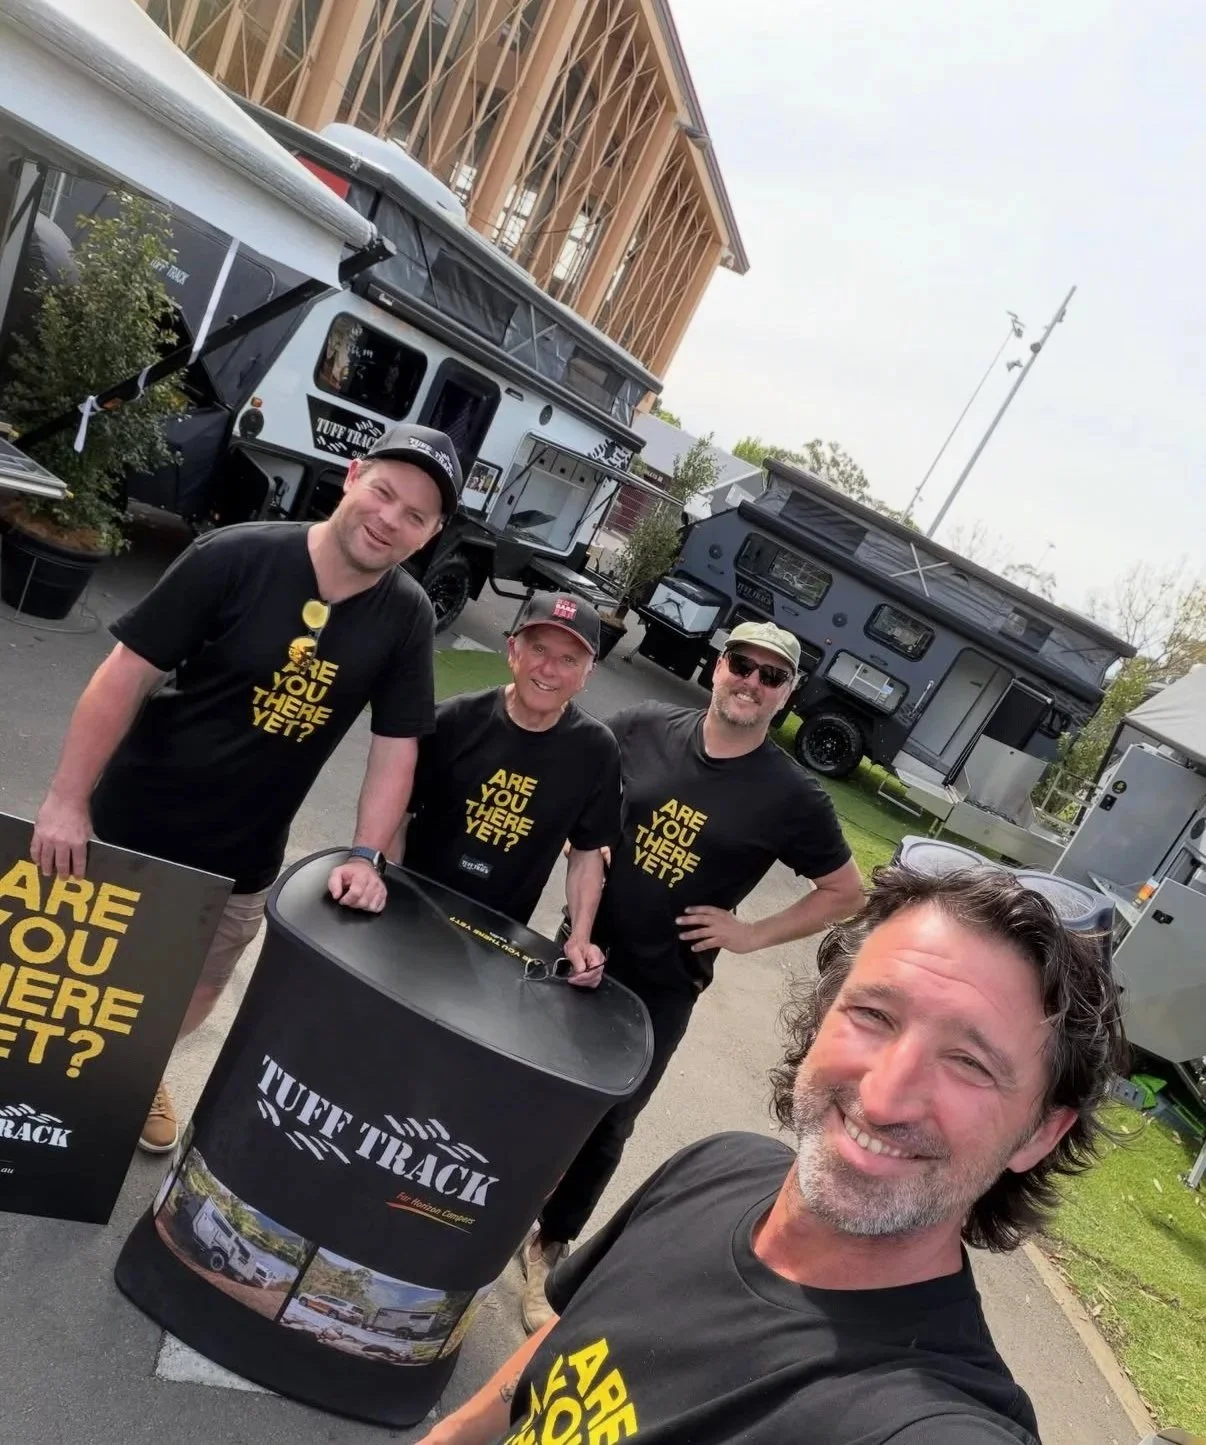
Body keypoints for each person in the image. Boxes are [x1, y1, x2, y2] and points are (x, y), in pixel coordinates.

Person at [420, 863, 1128, 1445]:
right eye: (873, 1014)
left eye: (970, 1063)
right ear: (822, 1017)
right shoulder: (712, 1169)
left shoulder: (930, 1419)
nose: (885, 1097)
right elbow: (558, 1353)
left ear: (1042, 1133)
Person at [29, 423, 462, 1152]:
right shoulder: (234, 556)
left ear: (431, 533)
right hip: (127, 826)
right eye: (385, 492)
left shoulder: (407, 616)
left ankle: (137, 1070)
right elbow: (124, 676)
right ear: (353, 475)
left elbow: (395, 747)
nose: (391, 519)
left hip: (242, 859)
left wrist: (367, 854)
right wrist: (67, 800)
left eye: (415, 515)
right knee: (66, 973)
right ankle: (34, 1075)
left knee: (197, 988)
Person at [520, 619, 865, 1329]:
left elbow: (846, 892)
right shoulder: (643, 727)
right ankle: (487, 1197)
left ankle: (548, 1246)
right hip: (580, 945)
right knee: (530, 1082)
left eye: (772, 676)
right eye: (742, 664)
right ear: (717, 666)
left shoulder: (792, 796)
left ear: (788, 694)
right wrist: (585, 839)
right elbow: (578, 776)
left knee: (608, 1123)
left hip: (664, 983)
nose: (752, 682)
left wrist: (751, 933)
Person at [400, 592, 619, 982]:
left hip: (495, 937)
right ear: (513, 650)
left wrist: (580, 937)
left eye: (569, 659)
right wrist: (384, 881)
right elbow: (399, 814)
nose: (549, 669)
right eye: (539, 649)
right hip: (412, 904)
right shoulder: (454, 720)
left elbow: (587, 853)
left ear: (588, 674)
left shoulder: (596, 752)